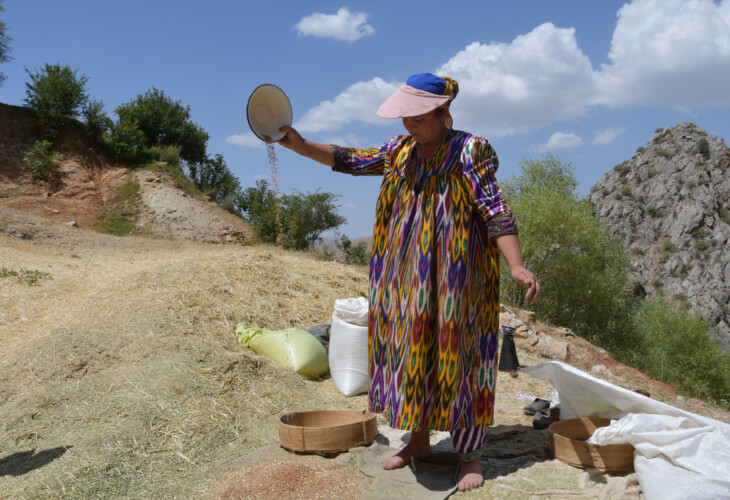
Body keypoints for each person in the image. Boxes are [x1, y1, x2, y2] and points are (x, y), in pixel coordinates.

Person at [277, 73, 539, 492]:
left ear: (443, 112)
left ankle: (469, 454)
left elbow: (495, 209)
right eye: (405, 115)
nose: (408, 124)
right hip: (401, 277)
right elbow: (349, 159)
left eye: (417, 116)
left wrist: (516, 264)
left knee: (459, 355)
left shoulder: (470, 150)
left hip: (458, 278)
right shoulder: (399, 152)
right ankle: (417, 442)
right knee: (407, 351)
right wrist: (299, 143)